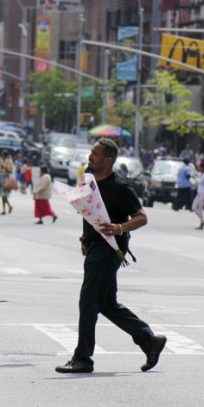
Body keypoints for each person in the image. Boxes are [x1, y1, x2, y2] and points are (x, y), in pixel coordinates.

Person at [55, 138, 166, 374]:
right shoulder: (90, 180)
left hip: (110, 248)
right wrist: (84, 239)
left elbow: (141, 217)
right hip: (95, 246)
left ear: (108, 159)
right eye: (91, 153)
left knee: (88, 301)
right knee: (106, 303)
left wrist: (118, 228)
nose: (90, 157)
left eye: (95, 154)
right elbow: (89, 212)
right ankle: (149, 340)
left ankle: (83, 357)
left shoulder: (120, 187)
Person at [192, 162, 204, 230]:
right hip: (198, 193)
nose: (198, 168)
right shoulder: (200, 175)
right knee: (194, 207)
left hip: (203, 193)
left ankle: (201, 223)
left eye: (199, 167)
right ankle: (202, 220)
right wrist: (194, 177)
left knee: (200, 208)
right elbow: (197, 181)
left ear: (202, 168)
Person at [0, 150, 14, 215]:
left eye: (2, 155)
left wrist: (3, 165)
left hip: (6, 178)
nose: (1, 156)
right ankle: (5, 209)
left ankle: (8, 207)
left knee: (4, 195)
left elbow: (10, 171)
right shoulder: (2, 161)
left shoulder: (9, 161)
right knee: (2, 195)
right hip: (1, 178)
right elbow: (0, 171)